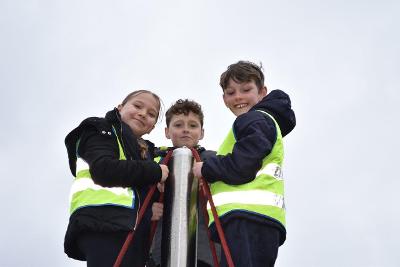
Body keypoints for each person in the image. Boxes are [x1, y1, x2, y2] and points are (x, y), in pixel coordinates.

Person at [192, 61, 296, 267]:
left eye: (246, 89)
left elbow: (243, 165)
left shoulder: (254, 119)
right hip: (259, 219)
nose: (238, 97)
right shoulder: (264, 121)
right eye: (231, 93)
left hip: (246, 217)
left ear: (263, 92)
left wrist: (207, 168)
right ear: (224, 99)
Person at [64, 90, 169, 267]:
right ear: (120, 107)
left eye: (152, 114)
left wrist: (151, 209)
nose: (143, 113)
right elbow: (103, 170)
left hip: (131, 232)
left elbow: (135, 189)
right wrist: (155, 171)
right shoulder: (101, 129)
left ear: (152, 128)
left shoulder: (147, 153)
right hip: (102, 225)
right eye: (137, 106)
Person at [148, 99, 221, 267]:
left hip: (205, 250)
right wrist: (154, 197)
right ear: (167, 131)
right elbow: (140, 195)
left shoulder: (213, 160)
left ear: (202, 132)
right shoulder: (154, 162)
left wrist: (209, 182)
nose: (186, 130)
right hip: (160, 250)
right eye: (178, 125)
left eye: (193, 126)